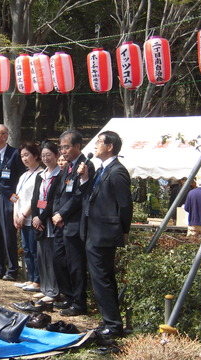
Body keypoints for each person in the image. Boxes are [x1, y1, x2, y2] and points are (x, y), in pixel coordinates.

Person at [78, 130, 132, 343]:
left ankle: (113, 325)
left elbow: (125, 205)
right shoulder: (100, 170)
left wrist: (124, 231)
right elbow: (90, 198)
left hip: (105, 234)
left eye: (99, 142)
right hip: (94, 231)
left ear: (110, 146)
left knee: (102, 279)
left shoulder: (117, 171)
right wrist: (83, 178)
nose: (95, 145)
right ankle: (109, 321)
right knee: (101, 279)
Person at [51, 129, 95, 316]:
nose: (63, 151)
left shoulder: (86, 165)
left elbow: (79, 195)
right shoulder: (67, 167)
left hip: (74, 223)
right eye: (61, 148)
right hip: (60, 223)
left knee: (76, 265)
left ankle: (79, 302)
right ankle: (68, 296)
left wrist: (62, 214)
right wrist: (55, 214)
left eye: (67, 147)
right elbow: (58, 193)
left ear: (78, 146)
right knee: (59, 260)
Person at [0, 124, 25, 281]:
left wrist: (15, 200)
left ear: (5, 136)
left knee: (8, 235)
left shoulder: (14, 154)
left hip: (8, 199)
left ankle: (12, 270)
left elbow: (21, 179)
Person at [31, 141, 62, 302]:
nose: (45, 158)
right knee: (41, 256)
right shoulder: (40, 175)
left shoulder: (60, 175)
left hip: (51, 221)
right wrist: (35, 217)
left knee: (52, 258)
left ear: (57, 155)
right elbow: (36, 198)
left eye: (49, 155)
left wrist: (41, 217)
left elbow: (54, 200)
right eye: (43, 155)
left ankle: (54, 290)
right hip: (40, 223)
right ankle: (45, 287)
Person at [13, 142, 43, 291]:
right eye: (22, 156)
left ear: (36, 155)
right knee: (26, 249)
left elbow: (35, 198)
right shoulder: (23, 175)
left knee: (33, 250)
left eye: (27, 155)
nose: (24, 158)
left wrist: (24, 215)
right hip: (20, 218)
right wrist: (15, 214)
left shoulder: (40, 173)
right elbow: (15, 196)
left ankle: (37, 280)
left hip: (31, 218)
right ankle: (30, 278)